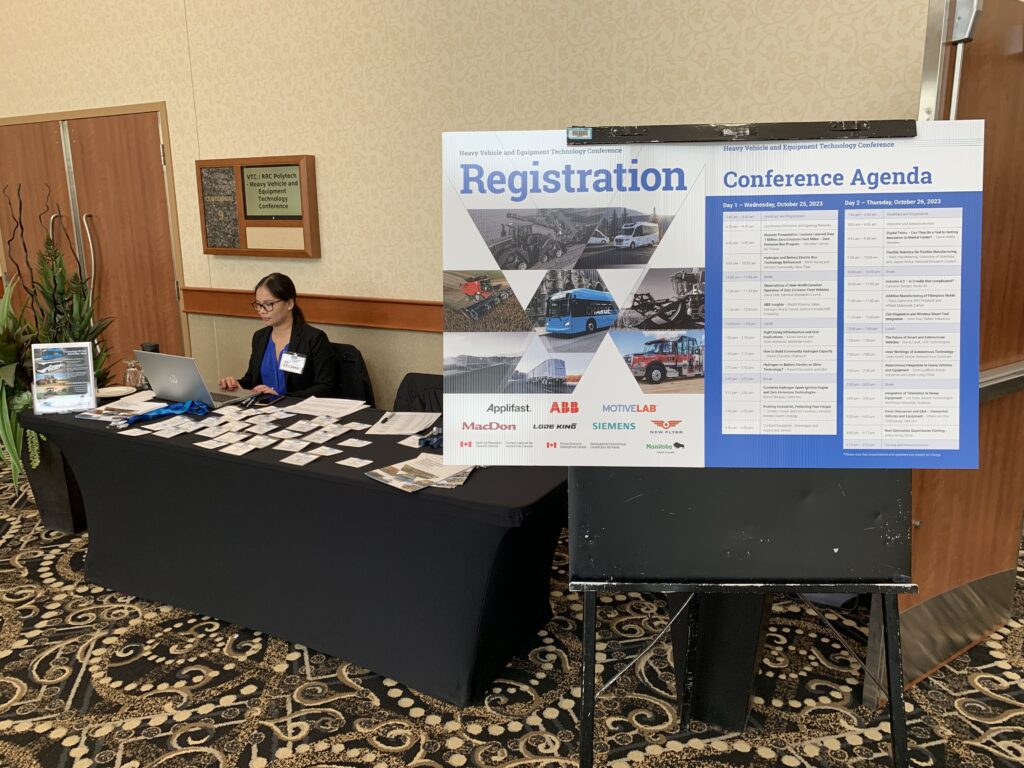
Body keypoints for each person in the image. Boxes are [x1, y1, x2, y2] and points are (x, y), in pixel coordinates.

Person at [218, 273, 336, 398]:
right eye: (258, 304)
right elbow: (252, 379)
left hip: (297, 410)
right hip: (264, 410)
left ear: (289, 304)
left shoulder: (313, 338)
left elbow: (325, 387)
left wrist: (283, 397)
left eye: (268, 304)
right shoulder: (260, 337)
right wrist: (237, 385)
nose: (262, 311)